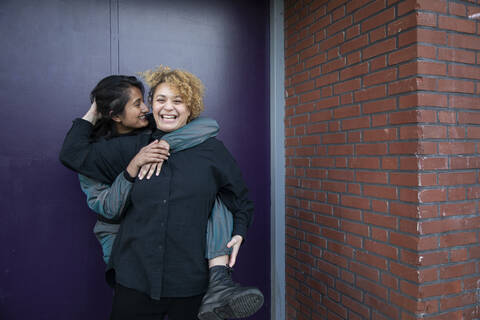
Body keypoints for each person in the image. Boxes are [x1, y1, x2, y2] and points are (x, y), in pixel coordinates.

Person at [60, 70, 263, 320]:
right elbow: (73, 154)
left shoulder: (212, 150)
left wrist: (239, 231)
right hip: (135, 280)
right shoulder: (135, 148)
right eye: (160, 99)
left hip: (191, 284)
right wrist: (96, 108)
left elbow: (240, 200)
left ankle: (220, 282)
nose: (168, 107)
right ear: (153, 105)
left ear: (191, 108)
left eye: (178, 101)